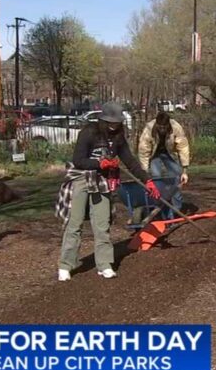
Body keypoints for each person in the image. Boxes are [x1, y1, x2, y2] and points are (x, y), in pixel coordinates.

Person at [56, 102, 160, 281]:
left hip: (102, 182)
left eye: (116, 122)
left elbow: (130, 161)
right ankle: (66, 265)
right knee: (75, 224)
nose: (113, 125)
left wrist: (147, 180)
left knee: (102, 224)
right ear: (102, 120)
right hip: (81, 179)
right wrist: (99, 164)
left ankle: (104, 264)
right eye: (110, 122)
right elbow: (78, 160)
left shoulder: (118, 137)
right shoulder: (88, 132)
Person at [138, 112, 190, 210]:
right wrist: (145, 171)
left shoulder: (176, 127)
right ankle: (159, 206)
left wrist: (185, 170)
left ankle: (177, 209)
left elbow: (183, 147)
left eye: (164, 127)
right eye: (160, 127)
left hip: (170, 153)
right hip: (154, 154)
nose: (162, 129)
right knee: (156, 178)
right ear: (156, 124)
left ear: (168, 125)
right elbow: (143, 151)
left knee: (176, 177)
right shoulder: (148, 130)